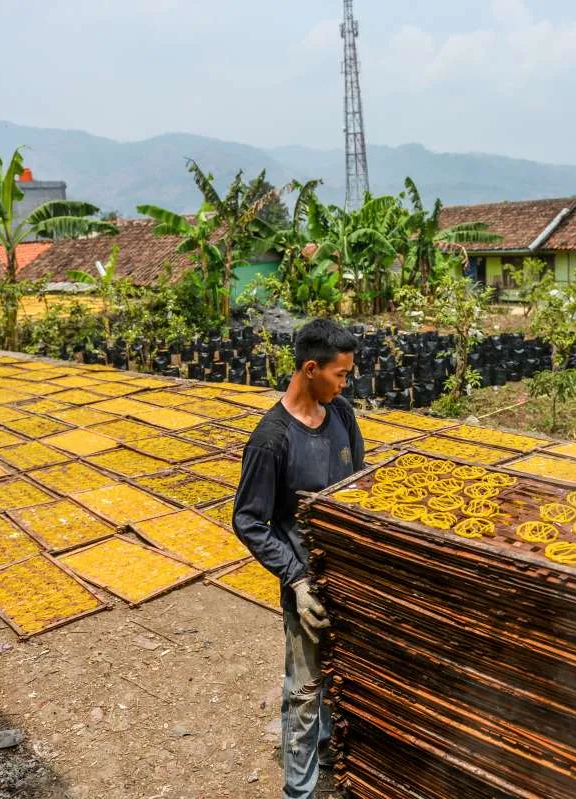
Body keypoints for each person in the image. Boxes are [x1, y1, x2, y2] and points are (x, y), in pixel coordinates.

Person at [232, 319, 365, 799]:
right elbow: (249, 520)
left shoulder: (342, 414)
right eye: (339, 375)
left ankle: (327, 750)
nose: (345, 384)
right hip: (306, 582)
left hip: (346, 575)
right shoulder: (272, 440)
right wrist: (296, 579)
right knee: (305, 690)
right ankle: (299, 790)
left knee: (339, 671)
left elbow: (358, 483)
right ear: (310, 369)